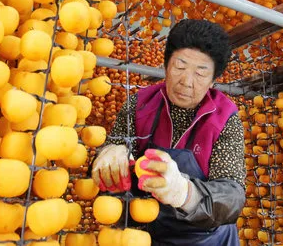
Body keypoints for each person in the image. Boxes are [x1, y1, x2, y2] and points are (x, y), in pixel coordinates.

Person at [91, 19, 246, 245]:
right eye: (180, 67)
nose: (186, 81)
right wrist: (109, 153)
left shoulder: (224, 118)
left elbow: (232, 195)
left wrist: (184, 192)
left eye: (201, 73)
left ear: (213, 80)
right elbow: (109, 173)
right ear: (165, 66)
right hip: (150, 236)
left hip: (207, 239)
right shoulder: (139, 106)